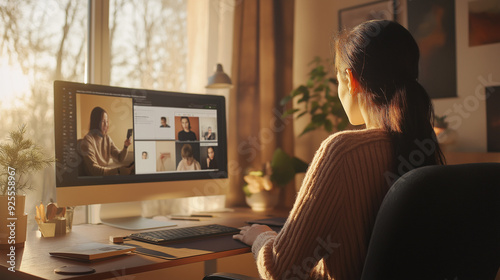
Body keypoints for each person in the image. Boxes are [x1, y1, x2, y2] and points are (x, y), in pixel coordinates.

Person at [233, 20, 445, 279]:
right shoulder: (424, 147)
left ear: (349, 79)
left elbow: (281, 271)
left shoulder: (343, 151)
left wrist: (261, 237)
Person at [80, 106, 134, 176]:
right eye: (103, 121)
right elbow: (94, 171)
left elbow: (120, 158)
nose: (106, 125)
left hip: (105, 173)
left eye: (107, 121)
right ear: (95, 122)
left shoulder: (107, 138)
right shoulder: (87, 141)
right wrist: (118, 170)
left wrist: (126, 146)